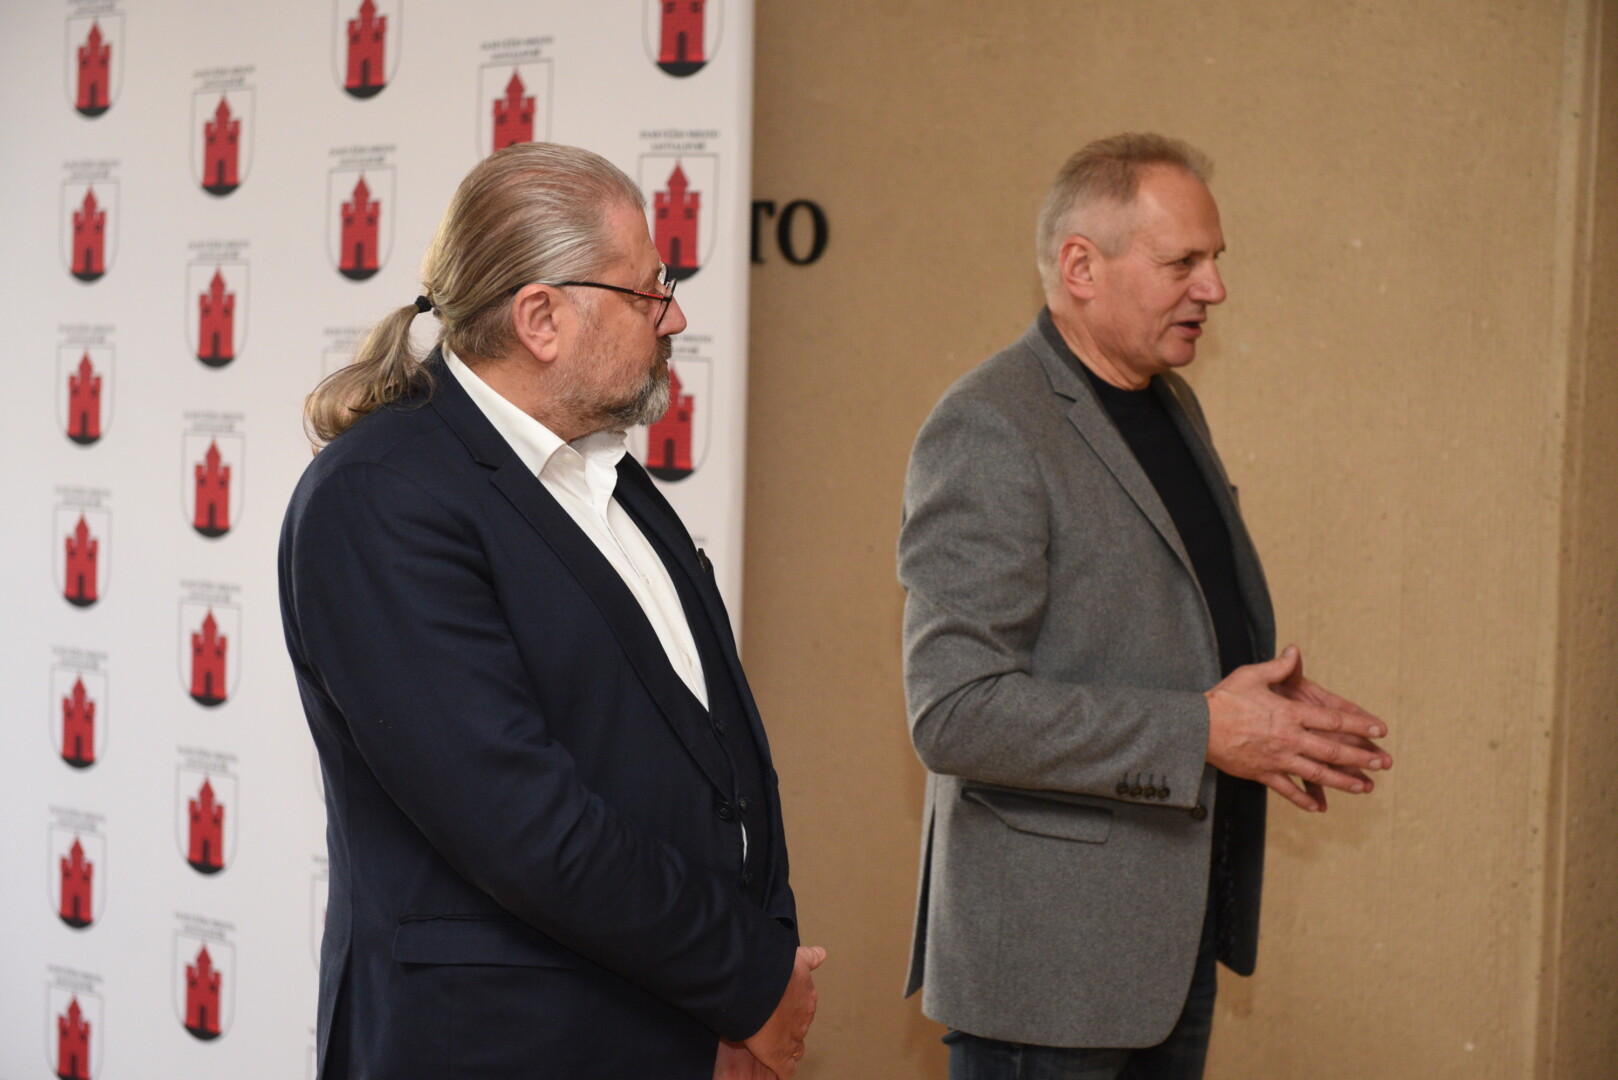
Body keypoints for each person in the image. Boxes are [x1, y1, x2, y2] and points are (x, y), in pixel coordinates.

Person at [279, 142, 823, 1080]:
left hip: (675, 1030)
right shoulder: (379, 498)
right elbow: (522, 824)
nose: (675, 316)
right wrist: (746, 979)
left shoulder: (609, 475)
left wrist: (743, 997)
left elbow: (714, 757)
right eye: (649, 292)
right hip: (498, 1048)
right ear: (541, 318)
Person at [897, 132, 1391, 1079]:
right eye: (1182, 263)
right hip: (1048, 977)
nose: (1215, 288)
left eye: (1216, 260)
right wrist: (1205, 729)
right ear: (1081, 266)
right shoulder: (990, 425)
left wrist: (1261, 709)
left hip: (1164, 943)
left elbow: (1142, 627)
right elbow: (955, 712)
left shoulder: (1168, 404)